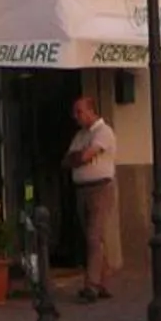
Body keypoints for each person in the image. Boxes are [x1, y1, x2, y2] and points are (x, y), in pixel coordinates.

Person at [65, 95, 118, 302]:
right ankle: (104, 281)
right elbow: (68, 159)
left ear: (91, 111)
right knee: (93, 236)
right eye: (75, 112)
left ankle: (91, 286)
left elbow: (85, 156)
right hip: (81, 188)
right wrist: (79, 157)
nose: (76, 117)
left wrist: (80, 157)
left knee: (93, 237)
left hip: (100, 188)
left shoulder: (104, 132)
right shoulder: (80, 135)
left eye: (79, 112)